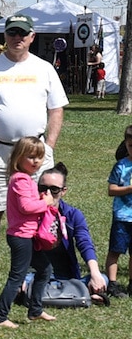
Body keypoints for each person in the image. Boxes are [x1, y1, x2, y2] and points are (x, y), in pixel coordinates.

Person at [0, 14, 67, 288]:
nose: (17, 38)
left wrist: (49, 147)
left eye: (23, 33)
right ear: (5, 36)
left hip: (35, 152)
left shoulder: (44, 69)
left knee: (40, 209)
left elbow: (56, 109)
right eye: (12, 32)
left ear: (32, 37)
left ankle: (37, 268)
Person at [0, 137, 55, 327]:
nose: (36, 161)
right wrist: (45, 202)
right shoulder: (20, 179)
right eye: (31, 157)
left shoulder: (26, 179)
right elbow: (26, 207)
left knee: (45, 270)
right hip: (21, 236)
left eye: (40, 157)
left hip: (28, 235)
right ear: (19, 158)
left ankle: (35, 310)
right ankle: (0, 317)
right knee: (17, 277)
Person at [29, 164, 108, 303]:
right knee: (22, 282)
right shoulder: (30, 215)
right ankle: (81, 293)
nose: (47, 194)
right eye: (43, 188)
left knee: (102, 278)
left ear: (63, 191)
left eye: (54, 189)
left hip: (67, 276)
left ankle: (42, 293)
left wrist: (95, 274)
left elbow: (85, 243)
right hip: (36, 273)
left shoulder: (73, 215)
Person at [104, 127, 132, 289]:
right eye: (131, 146)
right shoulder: (121, 166)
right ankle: (112, 283)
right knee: (115, 250)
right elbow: (111, 190)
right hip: (122, 216)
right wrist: (129, 189)